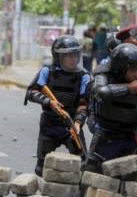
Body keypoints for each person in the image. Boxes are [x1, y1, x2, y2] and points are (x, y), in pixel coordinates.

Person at [24, 35, 90, 176]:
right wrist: (49, 102)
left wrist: (78, 122)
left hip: (71, 124)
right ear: (58, 56)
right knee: (41, 168)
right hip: (49, 124)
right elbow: (31, 92)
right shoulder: (47, 71)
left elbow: (84, 103)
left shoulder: (84, 76)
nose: (74, 59)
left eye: (76, 55)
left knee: (83, 163)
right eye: (69, 56)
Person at [84, 43, 137, 173]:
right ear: (121, 68)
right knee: (91, 172)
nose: (136, 73)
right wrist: (128, 88)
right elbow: (100, 92)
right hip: (107, 132)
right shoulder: (103, 75)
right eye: (132, 70)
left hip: (133, 131)